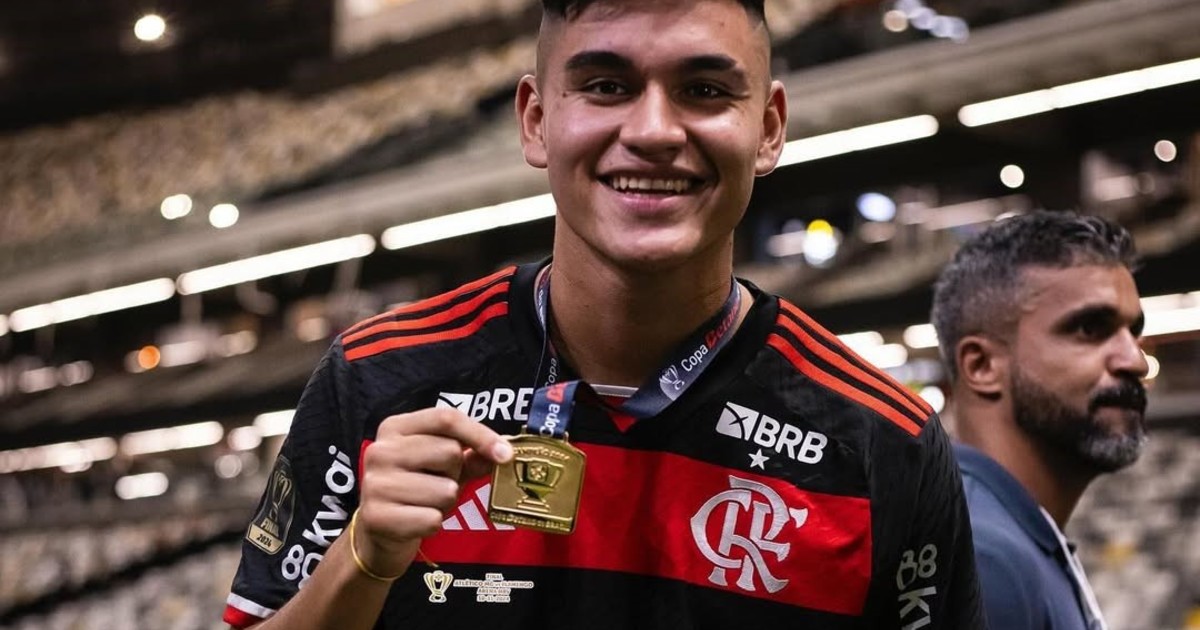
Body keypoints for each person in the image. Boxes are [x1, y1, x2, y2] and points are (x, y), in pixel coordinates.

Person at [224, 1, 984, 627]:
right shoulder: (379, 378)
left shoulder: (884, 440)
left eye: (705, 90)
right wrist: (363, 558)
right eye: (606, 86)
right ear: (535, 120)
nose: (653, 132)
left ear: (769, 128)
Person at [931, 211, 1149, 630]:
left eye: (1133, 332)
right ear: (982, 366)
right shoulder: (985, 561)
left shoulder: (1009, 537)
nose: (1135, 360)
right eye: (1090, 328)